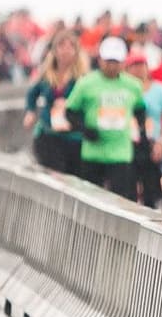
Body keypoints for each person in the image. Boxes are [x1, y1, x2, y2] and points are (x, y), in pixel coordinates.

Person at [62, 36, 147, 199]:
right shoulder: (86, 84)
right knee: (89, 200)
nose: (112, 65)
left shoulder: (133, 86)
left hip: (120, 154)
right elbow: (70, 112)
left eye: (116, 61)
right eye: (108, 61)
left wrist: (140, 135)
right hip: (93, 152)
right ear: (100, 60)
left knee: (121, 201)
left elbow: (140, 111)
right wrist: (85, 130)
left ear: (123, 62)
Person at [23, 28, 86, 174]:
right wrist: (30, 112)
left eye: (71, 46)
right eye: (62, 46)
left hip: (73, 136)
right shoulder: (46, 76)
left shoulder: (82, 79)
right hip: (48, 134)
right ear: (55, 50)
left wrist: (69, 105)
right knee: (52, 173)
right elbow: (32, 94)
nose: (66, 51)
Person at [123, 52, 162, 209]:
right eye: (134, 66)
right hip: (128, 143)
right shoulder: (124, 89)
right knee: (128, 191)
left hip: (152, 144)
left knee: (152, 193)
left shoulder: (160, 90)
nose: (138, 70)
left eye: (141, 65)